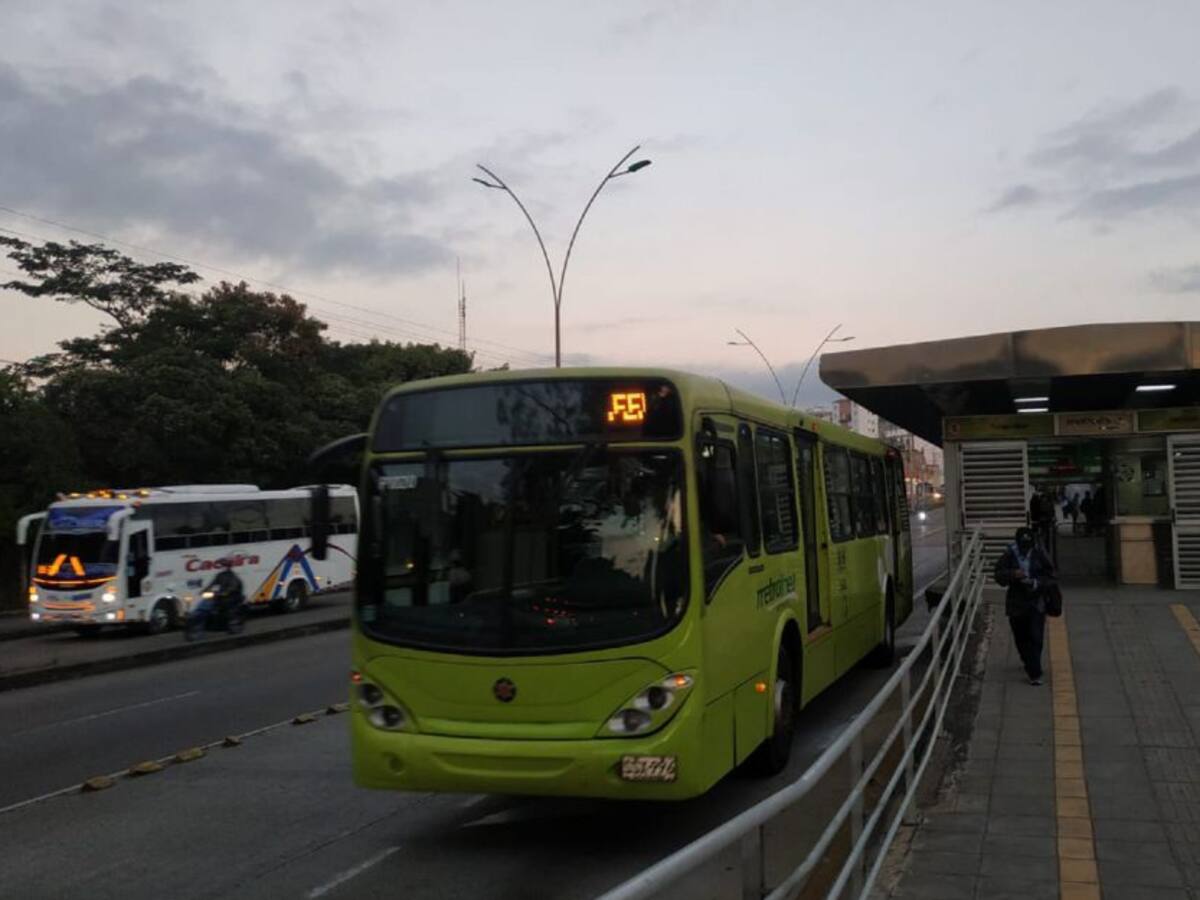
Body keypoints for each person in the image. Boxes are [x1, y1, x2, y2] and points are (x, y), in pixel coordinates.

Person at [993, 527, 1055, 685]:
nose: (1026, 550)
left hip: (1036, 601)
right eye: (1023, 546)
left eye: (1028, 546)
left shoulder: (1039, 553)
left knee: (1036, 636)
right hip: (1017, 601)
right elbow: (998, 575)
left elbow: (1051, 575)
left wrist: (1036, 582)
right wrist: (1013, 574)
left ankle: (1035, 672)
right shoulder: (1009, 554)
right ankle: (1028, 660)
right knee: (1021, 636)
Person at [191, 561, 245, 633]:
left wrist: (226, 592)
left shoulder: (233, 576)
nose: (222, 567)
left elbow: (233, 586)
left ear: (228, 567)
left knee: (225, 607)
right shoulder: (219, 575)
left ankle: (229, 625)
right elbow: (212, 584)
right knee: (210, 604)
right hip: (221, 595)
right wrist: (204, 590)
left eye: (224, 566)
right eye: (222, 566)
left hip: (232, 596)